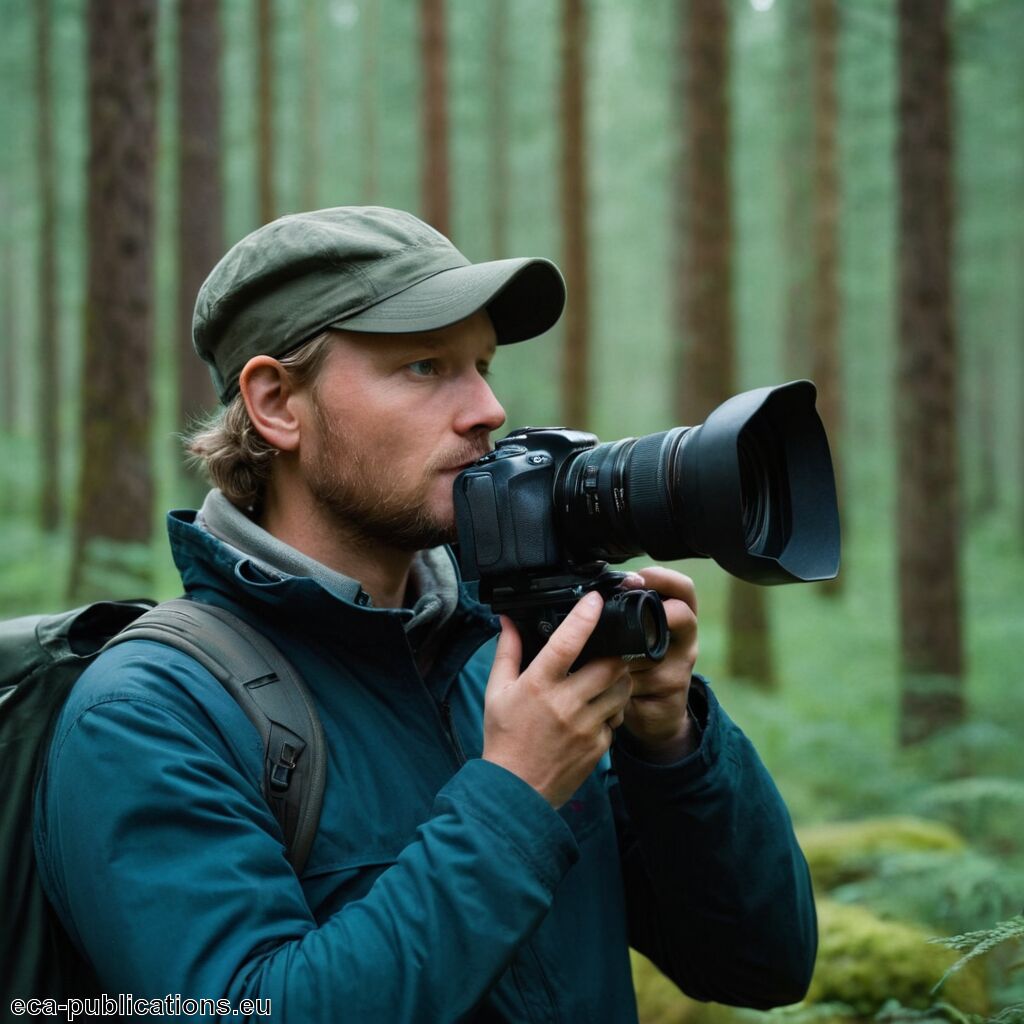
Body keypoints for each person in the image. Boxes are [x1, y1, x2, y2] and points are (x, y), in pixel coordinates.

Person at [35, 207, 817, 1022]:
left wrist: (673, 743)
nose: (487, 408)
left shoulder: (504, 653)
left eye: (480, 363)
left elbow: (762, 964)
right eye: (423, 366)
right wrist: (515, 793)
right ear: (275, 403)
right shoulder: (150, 713)